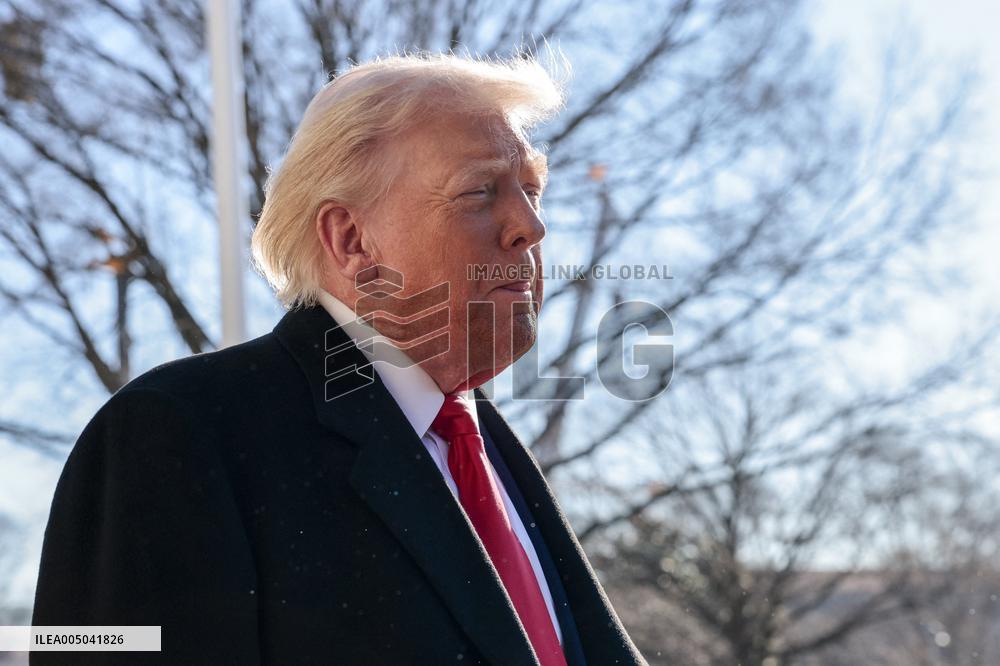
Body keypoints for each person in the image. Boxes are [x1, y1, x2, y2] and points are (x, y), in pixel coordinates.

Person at [31, 53, 647, 665]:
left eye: (533, 190)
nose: (531, 227)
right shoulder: (175, 433)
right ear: (352, 241)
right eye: (480, 191)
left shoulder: (488, 455)